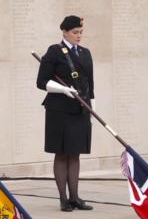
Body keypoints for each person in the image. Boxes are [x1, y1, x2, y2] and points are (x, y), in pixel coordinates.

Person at [36, 15, 95, 212]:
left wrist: (91, 107)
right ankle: (63, 198)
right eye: (74, 32)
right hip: (59, 110)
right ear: (64, 32)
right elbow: (41, 81)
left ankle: (75, 197)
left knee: (75, 154)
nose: (78, 36)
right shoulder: (55, 51)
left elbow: (90, 84)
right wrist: (63, 90)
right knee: (62, 154)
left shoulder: (85, 53)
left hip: (80, 108)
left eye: (80, 32)